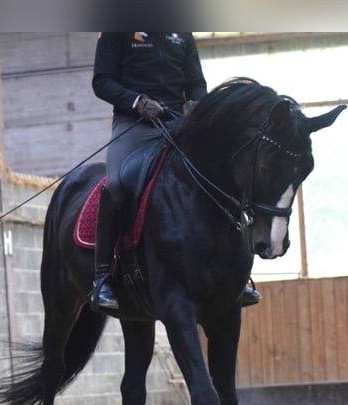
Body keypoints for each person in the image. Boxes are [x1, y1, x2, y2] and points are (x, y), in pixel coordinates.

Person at [90, 32, 261, 312]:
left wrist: (196, 103)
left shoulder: (182, 31)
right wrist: (137, 102)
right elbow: (102, 81)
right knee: (118, 184)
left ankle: (235, 274)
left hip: (178, 125)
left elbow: (196, 82)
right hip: (134, 125)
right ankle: (102, 278)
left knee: (218, 178)